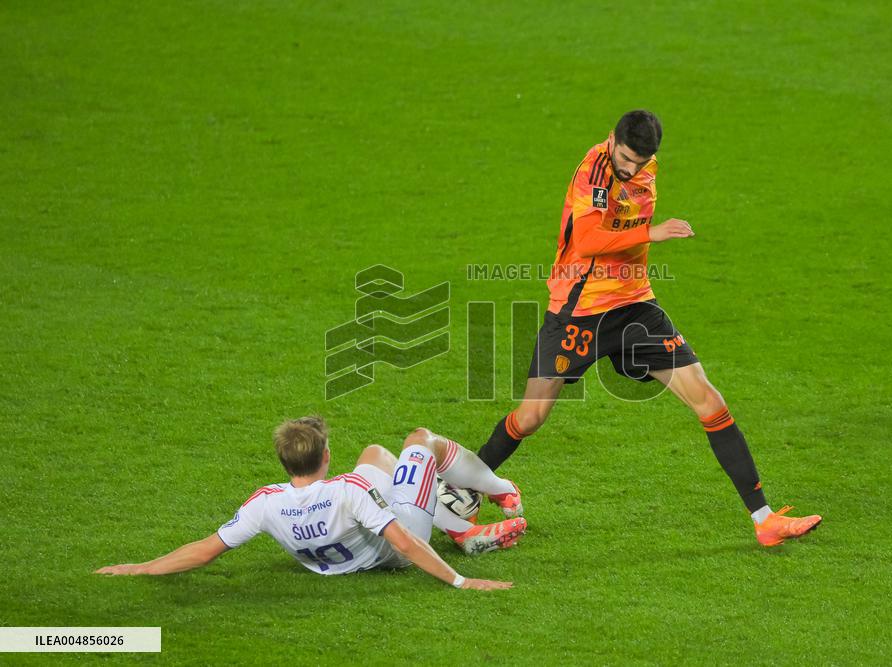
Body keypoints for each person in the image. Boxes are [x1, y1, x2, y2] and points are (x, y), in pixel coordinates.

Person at [476, 110, 821, 547]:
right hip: (578, 310)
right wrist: (650, 233)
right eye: (626, 158)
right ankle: (469, 479)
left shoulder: (645, 165)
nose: (632, 168)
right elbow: (586, 241)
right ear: (612, 140)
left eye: (641, 161)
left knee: (709, 400)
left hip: (635, 305)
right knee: (531, 417)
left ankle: (764, 519)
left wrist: (642, 233)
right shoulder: (594, 171)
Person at [96, 417, 526, 589]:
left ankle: (454, 518)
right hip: (398, 550)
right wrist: (462, 581)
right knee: (420, 441)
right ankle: (495, 490)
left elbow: (206, 550)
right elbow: (407, 545)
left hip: (338, 560)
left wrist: (141, 567)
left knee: (376, 454)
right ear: (325, 458)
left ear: (285, 462)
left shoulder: (265, 503)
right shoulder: (349, 490)